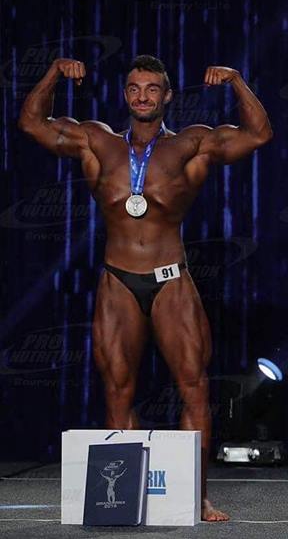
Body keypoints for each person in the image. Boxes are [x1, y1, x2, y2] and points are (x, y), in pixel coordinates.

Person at [18, 55, 273, 522]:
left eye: (152, 89)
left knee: (194, 387)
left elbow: (258, 134)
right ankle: (123, 498)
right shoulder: (96, 141)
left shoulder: (190, 144)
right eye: (135, 88)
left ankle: (197, 496)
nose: (142, 96)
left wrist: (237, 80)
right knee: (118, 389)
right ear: (125, 95)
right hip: (118, 279)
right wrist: (54, 72)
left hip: (170, 279)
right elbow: (32, 122)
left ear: (167, 96)